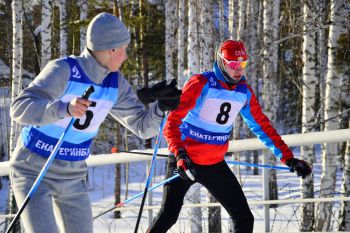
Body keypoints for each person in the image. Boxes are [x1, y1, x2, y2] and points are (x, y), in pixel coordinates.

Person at [9, 12, 181, 233]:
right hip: (33, 168)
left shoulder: (115, 82)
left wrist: (160, 107)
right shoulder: (64, 70)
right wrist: (64, 109)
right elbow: (19, 108)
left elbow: (143, 128)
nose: (126, 56)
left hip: (73, 175)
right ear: (111, 49)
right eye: (124, 50)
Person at [147, 40, 312, 233]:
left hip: (214, 164)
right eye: (233, 64)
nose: (238, 69)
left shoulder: (244, 93)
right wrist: (180, 155)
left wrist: (288, 158)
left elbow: (263, 128)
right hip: (185, 161)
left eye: (242, 64)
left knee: (244, 219)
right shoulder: (202, 83)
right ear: (221, 61)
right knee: (168, 215)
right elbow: (172, 123)